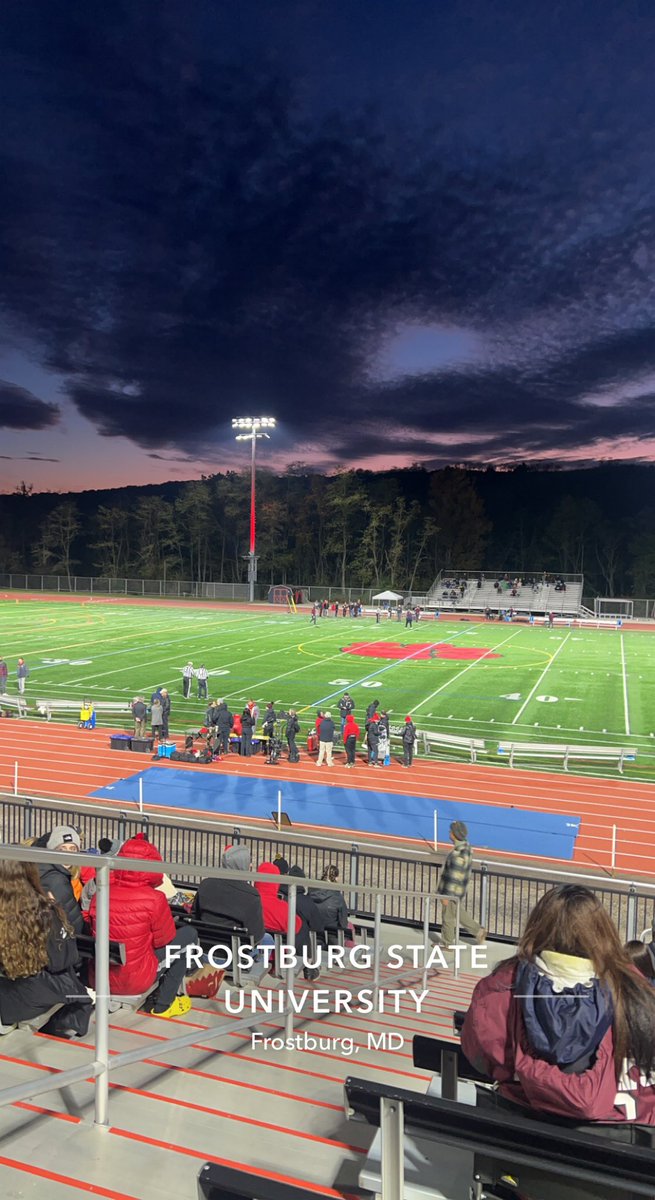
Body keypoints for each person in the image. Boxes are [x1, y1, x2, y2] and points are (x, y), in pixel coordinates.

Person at [462, 886, 655, 1162]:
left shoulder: (500, 990)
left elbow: (479, 1058)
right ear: (604, 933)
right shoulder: (638, 993)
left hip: (519, 1168)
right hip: (626, 1174)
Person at [89, 833, 214, 1016]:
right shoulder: (154, 899)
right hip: (136, 977)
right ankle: (164, 1003)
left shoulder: (101, 892)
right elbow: (165, 939)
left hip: (100, 975)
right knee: (187, 938)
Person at [0, 861, 93, 1036]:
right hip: (27, 997)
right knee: (70, 985)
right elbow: (61, 960)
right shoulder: (42, 911)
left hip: (6, 990)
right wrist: (56, 912)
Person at [194, 845, 265, 946]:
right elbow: (256, 936)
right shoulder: (251, 895)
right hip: (234, 952)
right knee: (268, 939)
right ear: (244, 865)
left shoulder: (206, 884)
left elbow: (195, 915)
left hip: (205, 947)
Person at [436, 821, 485, 948]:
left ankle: (447, 943)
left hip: (452, 890)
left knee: (448, 916)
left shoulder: (459, 853)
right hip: (459, 890)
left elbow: (453, 876)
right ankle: (478, 931)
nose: (449, 832)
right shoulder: (466, 848)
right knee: (457, 912)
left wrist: (446, 895)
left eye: (451, 831)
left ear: (455, 834)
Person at [36, 826, 85, 934]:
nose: (67, 854)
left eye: (72, 849)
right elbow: (75, 923)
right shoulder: (57, 880)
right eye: (62, 849)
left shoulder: (42, 868)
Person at [309, 865, 350, 943]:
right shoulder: (337, 897)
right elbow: (343, 922)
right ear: (336, 878)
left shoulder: (311, 892)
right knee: (350, 927)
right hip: (332, 935)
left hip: (313, 932)